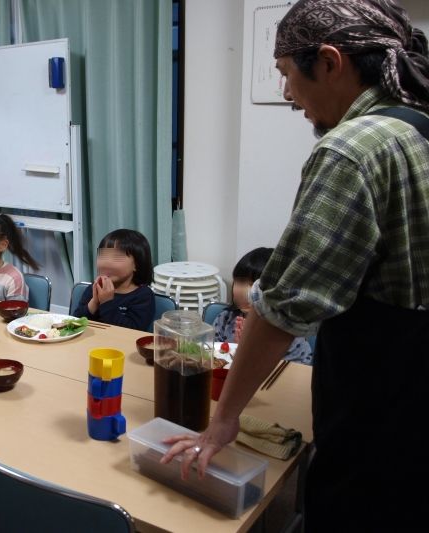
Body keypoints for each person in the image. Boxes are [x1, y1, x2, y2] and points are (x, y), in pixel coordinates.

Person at [162, 1, 429, 530]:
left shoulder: (355, 149)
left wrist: (221, 424)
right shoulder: (419, 125)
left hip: (382, 416)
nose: (288, 95)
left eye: (287, 74)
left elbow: (282, 308)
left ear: (329, 62)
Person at [213, 247, 312, 365]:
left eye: (254, 285)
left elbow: (300, 372)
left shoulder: (288, 329)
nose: (244, 291)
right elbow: (211, 357)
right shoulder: (225, 319)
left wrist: (251, 352)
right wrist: (237, 350)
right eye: (240, 282)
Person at [73, 229, 155, 331]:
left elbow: (133, 331)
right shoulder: (95, 288)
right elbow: (75, 322)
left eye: (117, 257)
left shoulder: (143, 296)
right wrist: (94, 302)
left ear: (137, 265)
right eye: (103, 256)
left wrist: (107, 303)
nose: (106, 263)